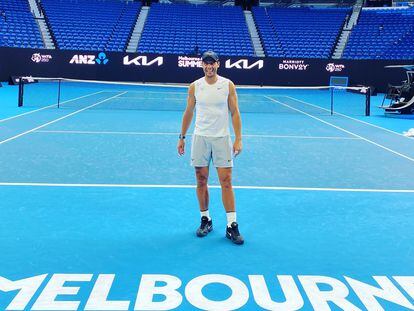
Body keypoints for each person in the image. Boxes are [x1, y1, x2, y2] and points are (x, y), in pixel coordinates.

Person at [177, 50, 244, 245]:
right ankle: (205, 219)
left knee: (226, 181)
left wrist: (238, 138)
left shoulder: (227, 85)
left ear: (217, 64)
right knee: (201, 180)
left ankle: (232, 225)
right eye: (205, 63)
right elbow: (188, 112)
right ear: (202, 65)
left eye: (212, 63)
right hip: (200, 138)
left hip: (222, 138)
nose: (209, 66)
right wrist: (182, 137)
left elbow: (235, 113)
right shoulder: (195, 86)